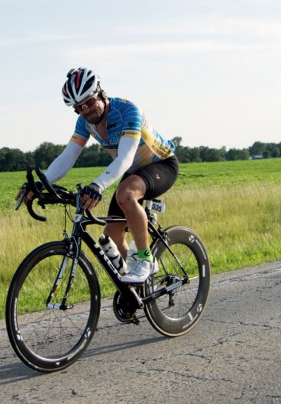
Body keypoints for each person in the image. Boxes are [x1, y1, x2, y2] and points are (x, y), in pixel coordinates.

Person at [24, 67, 179, 283]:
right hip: (132, 172)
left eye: (88, 102)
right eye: (78, 108)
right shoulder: (85, 122)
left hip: (160, 164)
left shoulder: (127, 111)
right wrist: (41, 183)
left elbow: (125, 158)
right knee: (111, 238)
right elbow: (68, 157)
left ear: (100, 92)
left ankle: (145, 260)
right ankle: (137, 285)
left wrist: (97, 186)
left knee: (125, 194)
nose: (85, 110)